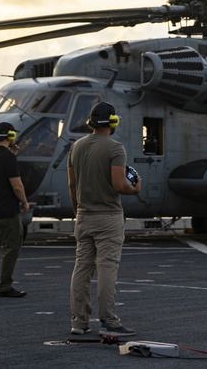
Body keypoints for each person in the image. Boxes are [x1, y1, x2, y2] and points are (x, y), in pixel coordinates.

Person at [68, 102, 142, 337]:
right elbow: (120, 184)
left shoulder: (76, 147)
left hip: (83, 215)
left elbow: (72, 184)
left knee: (82, 268)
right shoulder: (115, 148)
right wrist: (136, 188)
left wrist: (77, 209)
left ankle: (79, 322)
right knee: (107, 268)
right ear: (113, 122)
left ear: (91, 123)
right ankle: (109, 319)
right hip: (108, 216)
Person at [0, 122, 30, 298]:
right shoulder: (8, 158)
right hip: (8, 211)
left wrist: (12, 154)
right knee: (12, 247)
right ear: (10, 136)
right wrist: (24, 201)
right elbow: (16, 185)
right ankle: (5, 286)